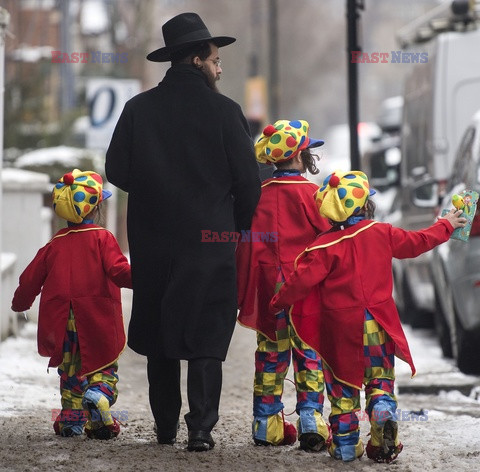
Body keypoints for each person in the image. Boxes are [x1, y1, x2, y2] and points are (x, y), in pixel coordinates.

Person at [105, 12, 261, 452]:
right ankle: (201, 429)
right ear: (196, 60)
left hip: (154, 242)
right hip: (211, 242)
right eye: (214, 59)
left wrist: (157, 191)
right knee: (207, 336)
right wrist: (238, 228)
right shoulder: (226, 112)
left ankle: (164, 428)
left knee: (160, 333)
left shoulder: (138, 109)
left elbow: (115, 169)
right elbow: (248, 182)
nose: (220, 67)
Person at [269, 170, 466, 463]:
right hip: (377, 326)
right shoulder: (381, 233)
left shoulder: (323, 248)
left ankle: (347, 446)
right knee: (380, 381)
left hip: (339, 332)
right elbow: (418, 242)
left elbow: (298, 283)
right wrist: (446, 225)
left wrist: (276, 303)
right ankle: (383, 412)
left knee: (342, 388)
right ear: (365, 206)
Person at [11, 169, 132, 440]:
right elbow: (119, 271)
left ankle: (71, 422)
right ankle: (98, 397)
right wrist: (148, 280)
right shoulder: (103, 239)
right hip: (97, 318)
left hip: (62, 322)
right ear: (97, 207)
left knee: (71, 372)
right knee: (102, 368)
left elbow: (30, 279)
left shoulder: (54, 245)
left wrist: (21, 303)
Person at [236, 119, 332, 451]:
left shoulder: (256, 197)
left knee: (270, 356)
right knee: (309, 353)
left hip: (269, 292)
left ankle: (265, 424)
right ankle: (311, 422)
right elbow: (327, 243)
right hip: (304, 290)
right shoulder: (314, 196)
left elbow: (245, 245)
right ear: (298, 156)